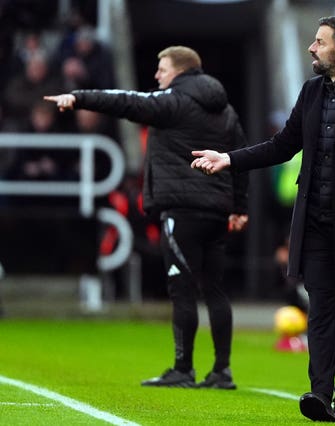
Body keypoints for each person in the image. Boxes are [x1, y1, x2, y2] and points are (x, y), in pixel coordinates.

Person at [191, 16, 335, 422]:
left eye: (319, 41)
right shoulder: (310, 92)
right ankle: (320, 394)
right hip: (317, 223)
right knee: (320, 310)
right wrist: (230, 159)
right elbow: (282, 145)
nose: (312, 47)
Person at [44, 45, 249, 389]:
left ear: (180, 71)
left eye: (162, 68)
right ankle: (221, 371)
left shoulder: (172, 102)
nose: (157, 75)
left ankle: (183, 369)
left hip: (181, 211)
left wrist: (78, 97)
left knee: (181, 290)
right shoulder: (226, 110)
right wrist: (239, 206)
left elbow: (125, 100)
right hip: (216, 211)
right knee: (215, 289)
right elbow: (240, 157)